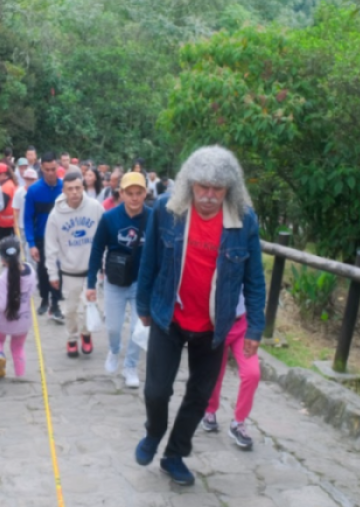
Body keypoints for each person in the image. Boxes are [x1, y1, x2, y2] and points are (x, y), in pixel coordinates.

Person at [132, 146, 267, 487]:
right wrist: (144, 307)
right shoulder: (167, 210)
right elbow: (149, 262)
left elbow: (254, 279)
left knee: (198, 395)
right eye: (202, 186)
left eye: (217, 189)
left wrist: (255, 326)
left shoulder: (244, 220)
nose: (208, 196)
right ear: (189, 183)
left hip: (214, 327)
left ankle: (174, 454)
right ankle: (154, 431)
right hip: (169, 317)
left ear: (229, 189)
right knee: (156, 391)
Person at [86, 172, 150, 387]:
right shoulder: (109, 218)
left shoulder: (152, 217)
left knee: (137, 329)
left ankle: (130, 366)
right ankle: (114, 350)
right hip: (115, 281)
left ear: (145, 193)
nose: (134, 198)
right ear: (121, 193)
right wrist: (90, 284)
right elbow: (96, 249)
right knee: (113, 327)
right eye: (129, 193)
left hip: (141, 282)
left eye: (138, 193)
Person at [44, 171, 104, 357]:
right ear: (64, 191)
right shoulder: (55, 215)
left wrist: (104, 263)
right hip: (69, 270)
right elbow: (51, 246)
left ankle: (86, 334)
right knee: (70, 310)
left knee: (89, 306)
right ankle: (72, 337)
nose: (75, 192)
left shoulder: (95, 207)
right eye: (70, 189)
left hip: (91, 270)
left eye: (78, 188)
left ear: (83, 188)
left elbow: (105, 236)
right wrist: (52, 273)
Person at [201, 296, 259, 450]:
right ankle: (209, 410)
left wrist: (255, 328)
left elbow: (257, 290)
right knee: (215, 371)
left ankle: (238, 422)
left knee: (252, 373)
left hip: (242, 325)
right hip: (216, 323)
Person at [0, 237, 37, 379]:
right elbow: (31, 292)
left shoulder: (3, 278)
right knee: (18, 348)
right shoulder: (31, 271)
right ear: (19, 253)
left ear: (1, 259)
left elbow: (0, 305)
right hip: (23, 320)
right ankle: (20, 375)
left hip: (4, 321)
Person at [23, 152, 64, 321]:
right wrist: (31, 243)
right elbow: (27, 218)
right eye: (47, 169)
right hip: (41, 237)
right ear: (42, 169)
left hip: (61, 238)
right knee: (43, 270)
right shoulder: (33, 190)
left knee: (58, 269)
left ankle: (55, 304)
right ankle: (44, 299)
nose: (50, 173)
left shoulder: (65, 188)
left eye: (53, 169)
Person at [0, 163, 18, 241]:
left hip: (5, 224)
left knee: (5, 248)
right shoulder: (12, 183)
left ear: (3, 175)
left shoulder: (6, 188)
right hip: (12, 222)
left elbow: (1, 206)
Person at [14, 168, 37, 237]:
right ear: (24, 179)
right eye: (27, 179)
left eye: (31, 179)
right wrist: (16, 225)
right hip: (23, 225)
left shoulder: (39, 191)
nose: (29, 181)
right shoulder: (19, 192)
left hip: (36, 225)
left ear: (36, 179)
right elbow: (16, 210)